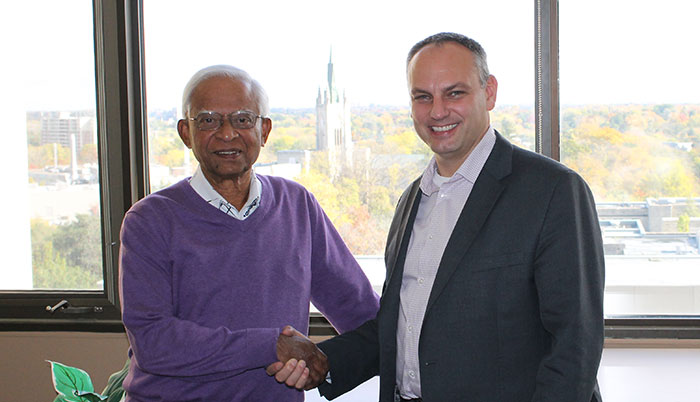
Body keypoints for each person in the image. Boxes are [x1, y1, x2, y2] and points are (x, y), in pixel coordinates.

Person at [271, 32, 605, 401]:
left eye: (455, 93)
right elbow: (399, 326)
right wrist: (322, 362)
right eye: (423, 97)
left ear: (489, 92)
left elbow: (575, 344)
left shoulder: (552, 191)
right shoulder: (411, 200)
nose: (438, 111)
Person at [118, 64, 379, 402]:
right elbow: (154, 341)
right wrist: (270, 345)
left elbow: (359, 309)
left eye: (243, 119)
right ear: (186, 133)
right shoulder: (149, 220)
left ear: (264, 130)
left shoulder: (297, 205)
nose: (227, 133)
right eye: (208, 120)